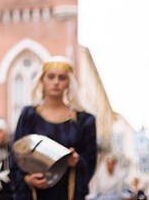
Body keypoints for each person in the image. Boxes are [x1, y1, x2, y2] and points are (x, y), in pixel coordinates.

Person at [11, 56, 98, 200]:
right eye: (51, 77)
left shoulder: (84, 120)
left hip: (68, 192)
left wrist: (76, 161)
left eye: (62, 78)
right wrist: (27, 180)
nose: (56, 82)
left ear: (69, 82)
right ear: (42, 80)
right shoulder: (29, 115)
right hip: (35, 194)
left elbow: (90, 160)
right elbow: (16, 156)